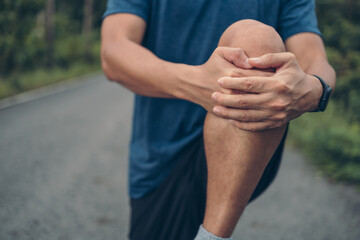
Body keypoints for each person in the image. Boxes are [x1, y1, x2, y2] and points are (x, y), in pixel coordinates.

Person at [101, 1, 336, 240]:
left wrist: (315, 90)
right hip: (163, 154)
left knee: (255, 38)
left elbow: (315, 59)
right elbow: (114, 51)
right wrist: (198, 83)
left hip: (247, 140)